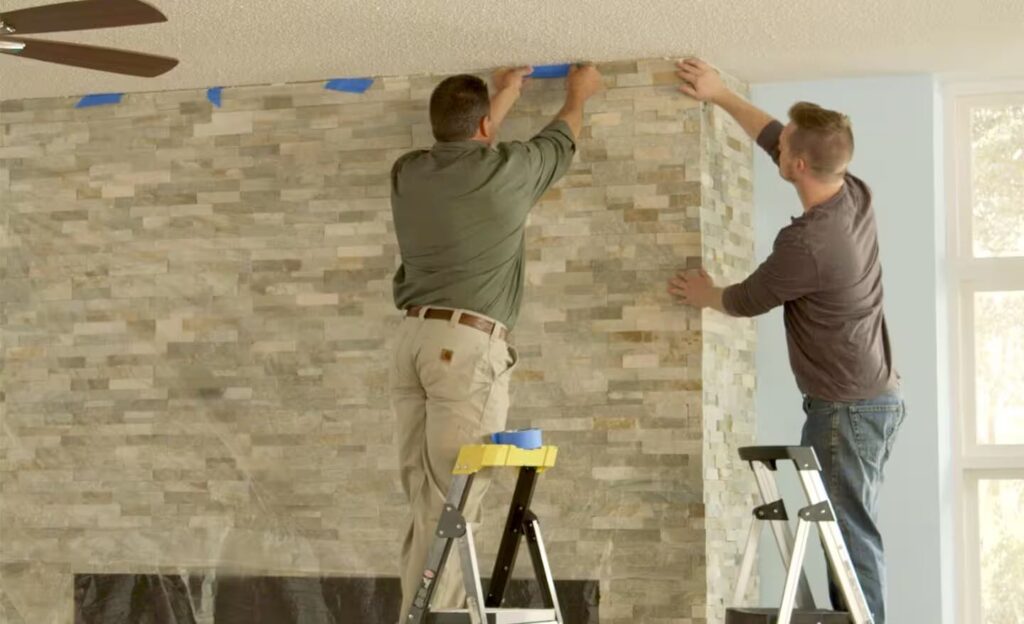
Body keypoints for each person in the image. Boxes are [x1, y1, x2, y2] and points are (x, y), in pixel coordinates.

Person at [667, 58, 904, 623]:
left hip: (846, 407)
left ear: (799, 165)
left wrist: (706, 293)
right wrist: (720, 94)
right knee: (845, 532)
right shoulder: (853, 192)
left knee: (847, 535)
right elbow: (779, 138)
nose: (778, 146)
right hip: (870, 396)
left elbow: (747, 299)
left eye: (787, 148)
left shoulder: (809, 245)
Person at [390, 63, 603, 618]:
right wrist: (579, 92)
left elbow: (466, 144)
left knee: (425, 503)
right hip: (462, 351)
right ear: (486, 127)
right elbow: (563, 133)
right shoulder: (512, 171)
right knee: (455, 504)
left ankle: (415, 616)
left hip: (411, 341)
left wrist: (502, 96)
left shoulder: (408, 172)